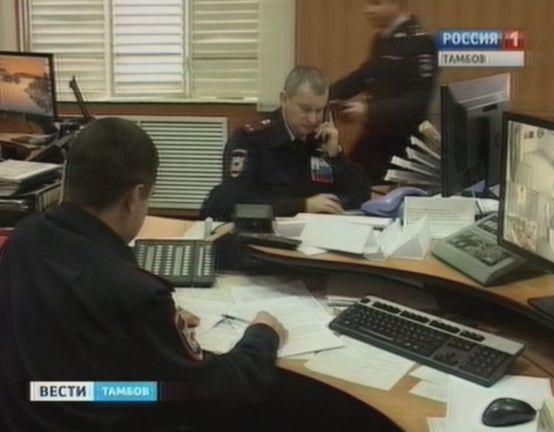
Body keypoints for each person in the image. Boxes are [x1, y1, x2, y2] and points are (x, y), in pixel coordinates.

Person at [0, 118, 288, 431]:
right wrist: (263, 334)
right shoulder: (135, 292)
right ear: (134, 197)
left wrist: (153, 325)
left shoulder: (23, 239)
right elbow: (217, 391)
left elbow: (65, 309)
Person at [202, 66, 370, 220]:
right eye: (305, 109)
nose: (312, 119)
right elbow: (232, 202)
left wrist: (336, 156)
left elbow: (360, 195)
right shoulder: (251, 140)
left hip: (317, 231)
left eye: (319, 110)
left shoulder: (320, 140)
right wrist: (302, 206)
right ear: (284, 99)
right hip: (267, 232)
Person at [331, 0, 438, 183]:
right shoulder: (381, 40)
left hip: (403, 147)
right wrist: (322, 96)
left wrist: (369, 111)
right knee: (344, 181)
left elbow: (418, 103)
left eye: (376, 3)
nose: (367, 10)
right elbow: (363, 76)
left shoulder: (420, 42)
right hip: (376, 140)